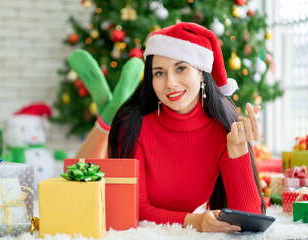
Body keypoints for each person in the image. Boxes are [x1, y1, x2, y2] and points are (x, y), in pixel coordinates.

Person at [71, 22, 264, 233]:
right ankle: (105, 118)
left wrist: (238, 151)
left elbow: (249, 221)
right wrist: (196, 222)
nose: (170, 83)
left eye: (181, 68)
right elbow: (135, 210)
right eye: (159, 73)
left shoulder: (224, 128)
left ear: (202, 73)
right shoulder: (134, 125)